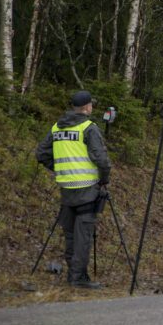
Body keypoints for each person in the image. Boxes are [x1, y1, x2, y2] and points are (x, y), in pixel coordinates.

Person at [35, 90, 111, 289]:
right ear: (87, 107)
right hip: (87, 189)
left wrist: (59, 169)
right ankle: (77, 277)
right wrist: (104, 180)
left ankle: (74, 273)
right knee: (83, 235)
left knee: (70, 234)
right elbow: (101, 160)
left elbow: (41, 154)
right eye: (91, 105)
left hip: (66, 189)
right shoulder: (89, 128)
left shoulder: (56, 128)